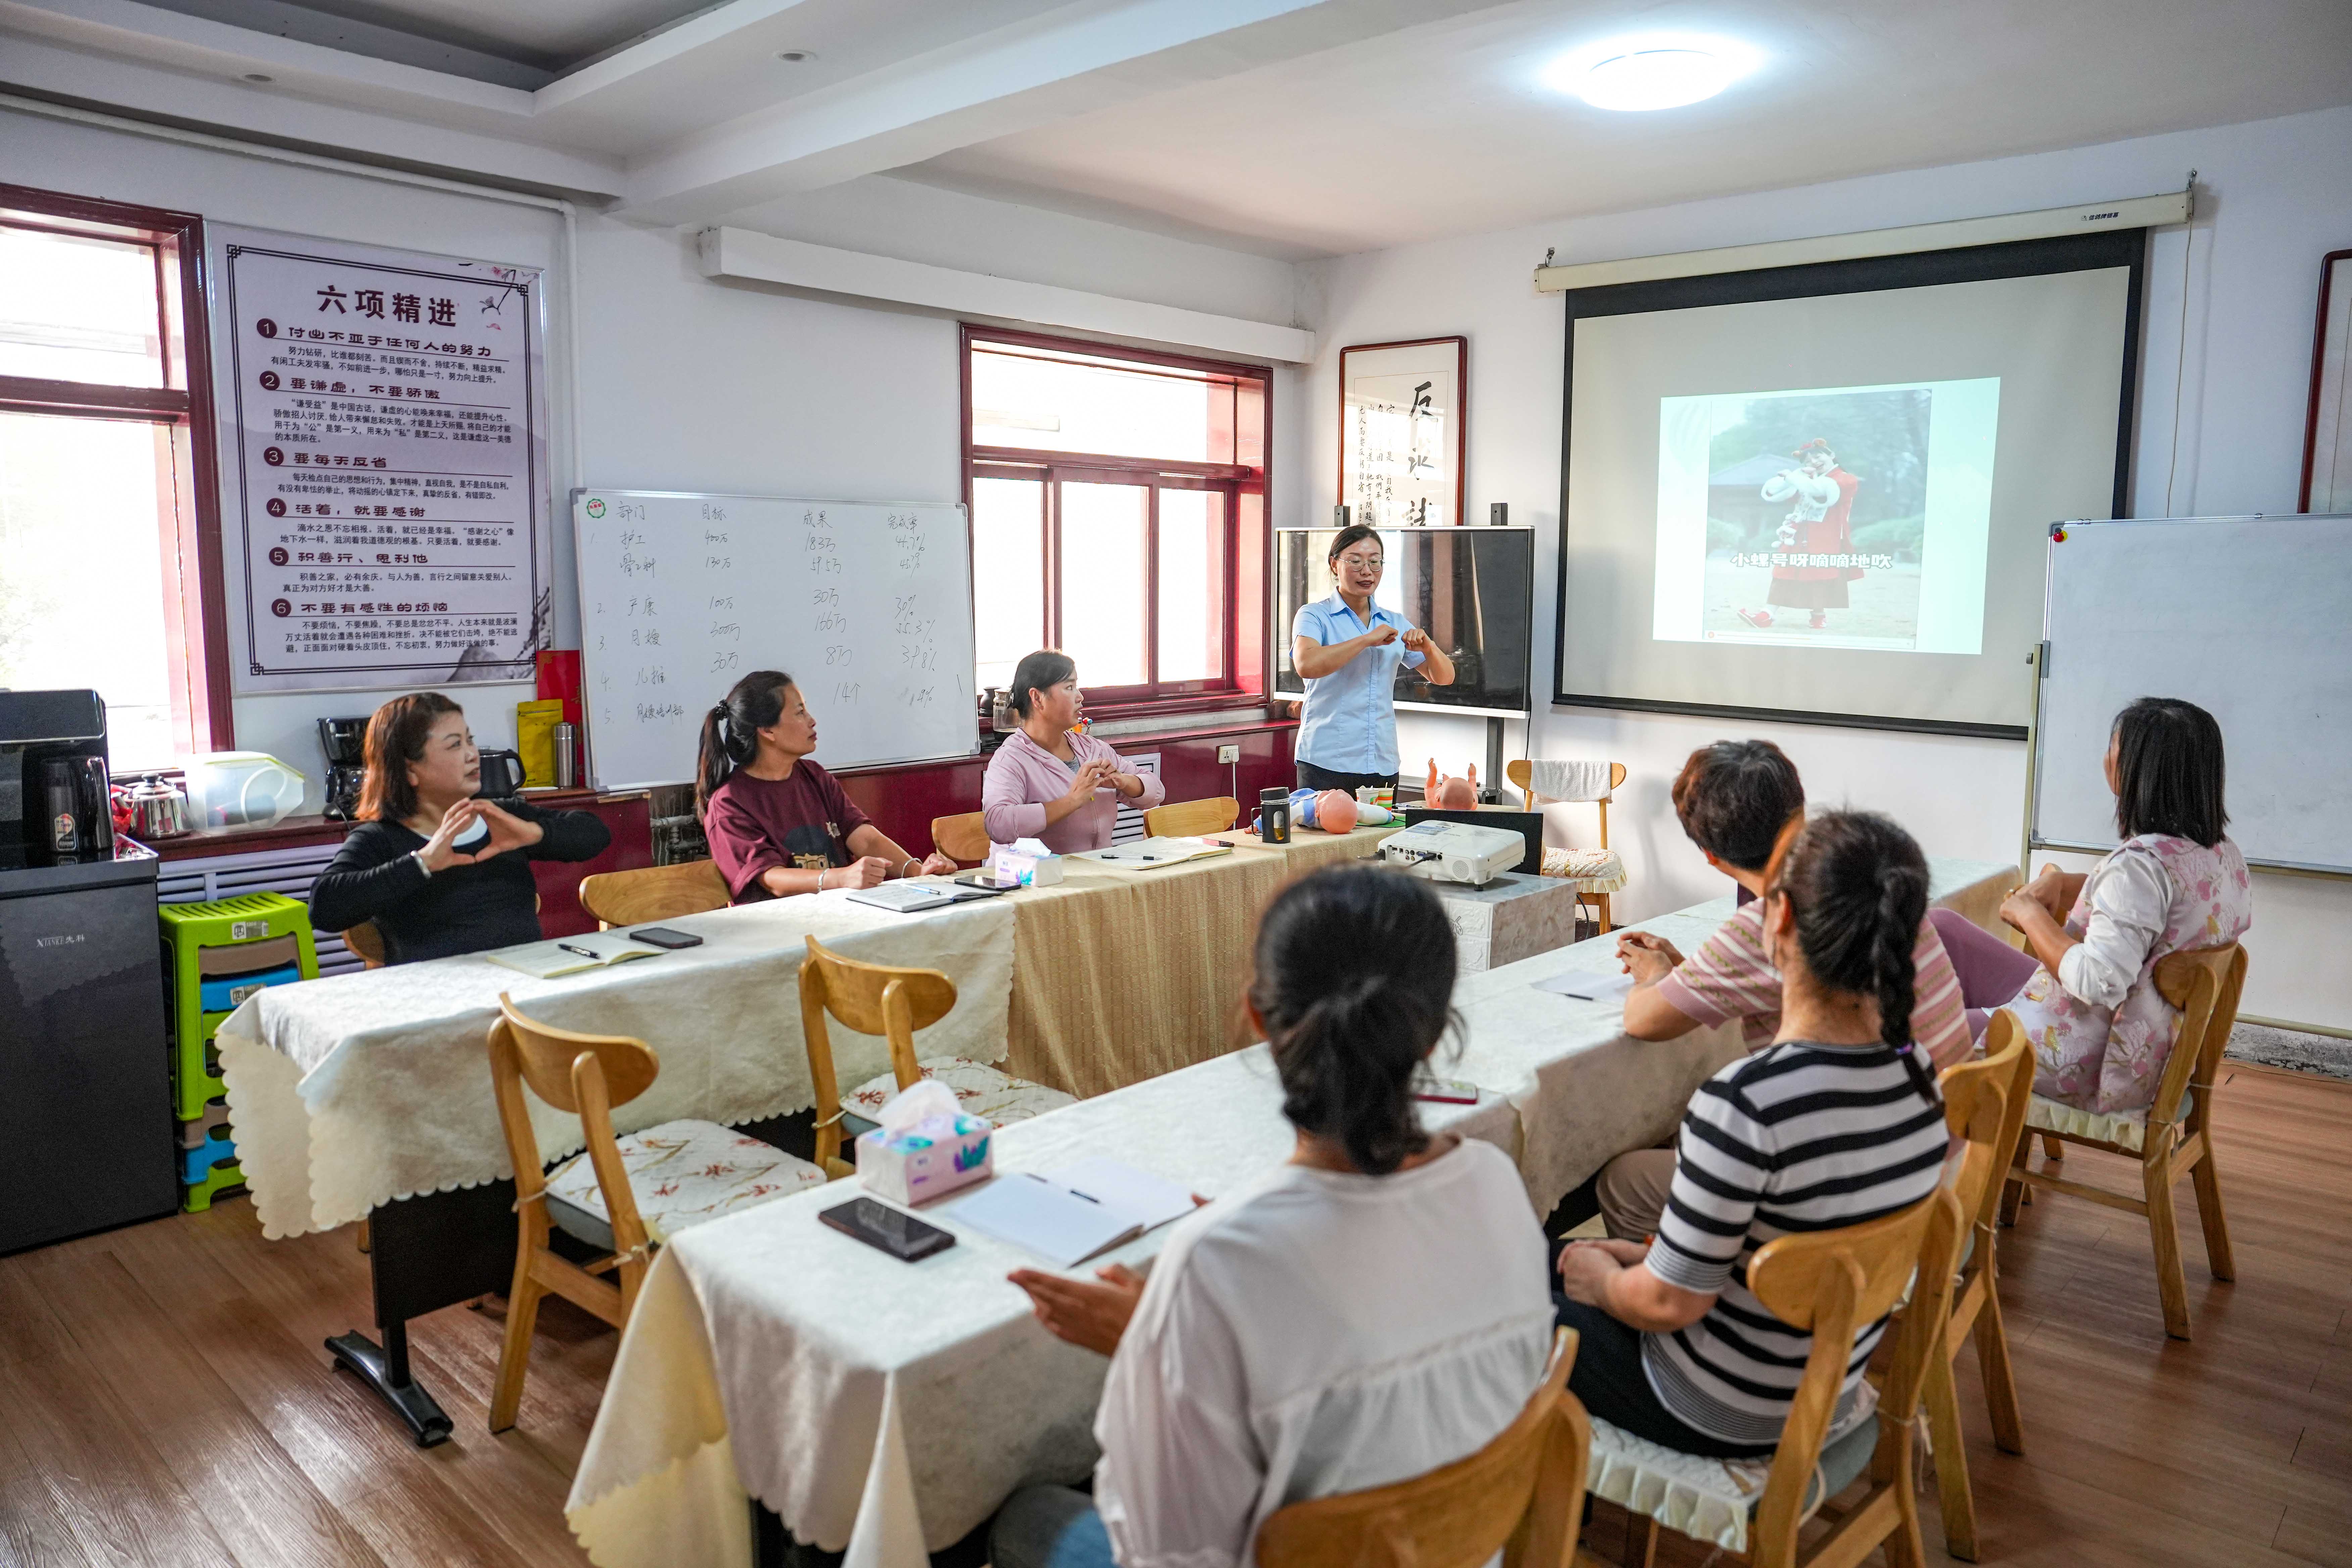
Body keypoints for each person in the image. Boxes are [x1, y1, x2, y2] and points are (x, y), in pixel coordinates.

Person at [989, 864, 1552, 1568]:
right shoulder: (1496, 1183)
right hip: (1467, 1551)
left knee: (1026, 1516)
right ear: (1435, 1032)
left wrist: (1157, 1347)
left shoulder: (1213, 1263)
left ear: (1259, 1018)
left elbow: (1168, 1554)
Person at [1553, 810, 1950, 1459]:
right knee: (1557, 1267)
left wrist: (1601, 1279)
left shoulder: (1742, 1106)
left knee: (1509, 1307)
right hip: (1826, 1383)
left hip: (1718, 1404)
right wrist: (1638, 1263)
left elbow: (1665, 1303)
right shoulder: (1918, 1074)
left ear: (1780, 918)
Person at [1597, 739, 1967, 1240]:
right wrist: (1693, 971)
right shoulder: (1880, 893)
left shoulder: (1765, 925)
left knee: (1625, 1179)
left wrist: (1659, 976)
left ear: (1709, 854)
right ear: (1799, 811)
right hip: (1929, 1167)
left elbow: (1642, 1022)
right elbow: (1767, 982)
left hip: (1854, 1193)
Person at [1925, 696, 2251, 1114]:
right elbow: (2161, 913)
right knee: (1942, 926)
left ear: (2140, 771)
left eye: (2113, 749)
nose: (2106, 760)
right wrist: (2069, 884)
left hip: (2090, 1061)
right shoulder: (2223, 857)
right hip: (2131, 1037)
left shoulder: (2138, 869)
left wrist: (2031, 916)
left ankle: (1946, 1142)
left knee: (1923, 1029)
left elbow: (2097, 981)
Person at [308, 692, 611, 964]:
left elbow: (595, 834)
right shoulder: (381, 838)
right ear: (410, 770)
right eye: (455, 745)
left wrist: (534, 834)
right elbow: (324, 909)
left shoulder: (501, 815)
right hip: (440, 998)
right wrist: (423, 864)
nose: (472, 754)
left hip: (523, 983)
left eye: (470, 740)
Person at [697, 670, 955, 902]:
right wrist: (841, 878)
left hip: (842, 917)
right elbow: (772, 879)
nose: (812, 721)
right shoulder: (730, 803)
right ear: (767, 730)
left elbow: (865, 839)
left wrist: (918, 872)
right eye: (800, 713)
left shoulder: (814, 776)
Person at [1291, 524, 1455, 795]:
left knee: (1379, 838)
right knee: (1329, 838)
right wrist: (1367, 639)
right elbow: (1307, 665)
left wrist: (1429, 647)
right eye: (1355, 562)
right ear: (1335, 565)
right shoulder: (1314, 615)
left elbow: (1445, 677)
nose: (1367, 571)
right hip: (1327, 759)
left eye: (1375, 562)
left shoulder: (1394, 621)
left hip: (1381, 759)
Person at [981, 649, 1164, 853]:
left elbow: (1156, 792)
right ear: (1038, 698)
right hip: (1038, 881)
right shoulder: (1011, 759)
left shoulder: (1092, 748)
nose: (1080, 696)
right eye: (1069, 687)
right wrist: (1072, 801)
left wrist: (1124, 781)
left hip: (1099, 873)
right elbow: (998, 824)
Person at [1739, 439, 1865, 632]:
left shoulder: (1847, 479)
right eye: (1807, 461)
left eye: (1817, 456)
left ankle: (1818, 616)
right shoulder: (1807, 480)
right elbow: (1779, 493)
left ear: (1831, 455)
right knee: (1783, 572)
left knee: (1820, 575)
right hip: (1798, 534)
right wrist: (1787, 481)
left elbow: (1821, 490)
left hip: (1828, 536)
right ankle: (1767, 614)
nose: (1813, 462)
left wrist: (1794, 477)